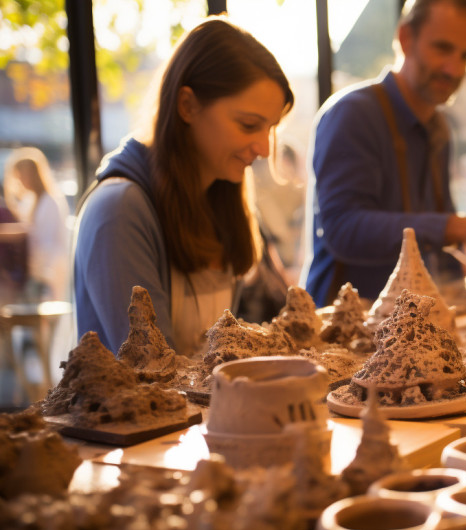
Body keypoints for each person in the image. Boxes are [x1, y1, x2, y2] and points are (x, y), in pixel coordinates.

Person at [73, 17, 294, 355]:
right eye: (249, 125)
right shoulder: (119, 210)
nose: (264, 148)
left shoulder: (220, 195)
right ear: (187, 105)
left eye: (271, 129)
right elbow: (151, 375)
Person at [303, 0, 466, 303]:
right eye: (443, 48)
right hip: (346, 330)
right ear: (405, 38)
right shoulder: (353, 113)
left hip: (416, 321)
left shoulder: (439, 127)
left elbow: (439, 229)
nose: (455, 68)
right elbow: (343, 230)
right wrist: (455, 227)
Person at [3, 147, 70, 301]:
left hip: (49, 271)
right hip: (36, 271)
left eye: (21, 175)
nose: (19, 180)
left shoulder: (50, 202)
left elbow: (39, 236)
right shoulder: (30, 200)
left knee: (45, 318)